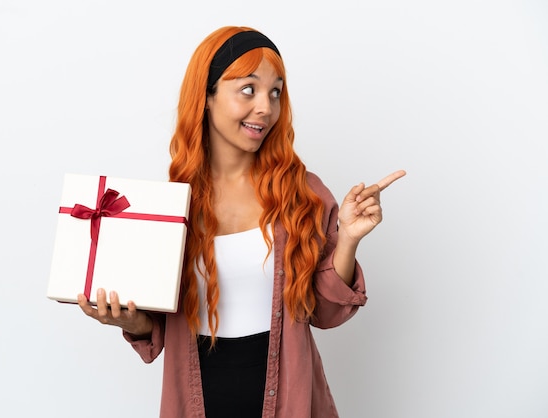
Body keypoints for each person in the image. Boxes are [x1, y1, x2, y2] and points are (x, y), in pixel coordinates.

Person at [78, 26, 405, 418]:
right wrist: (133, 321)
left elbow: (325, 313)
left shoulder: (303, 194)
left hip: (290, 403)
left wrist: (349, 239)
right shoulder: (169, 205)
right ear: (207, 96)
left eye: (275, 92)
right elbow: (161, 327)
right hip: (197, 402)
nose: (266, 107)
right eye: (248, 89)